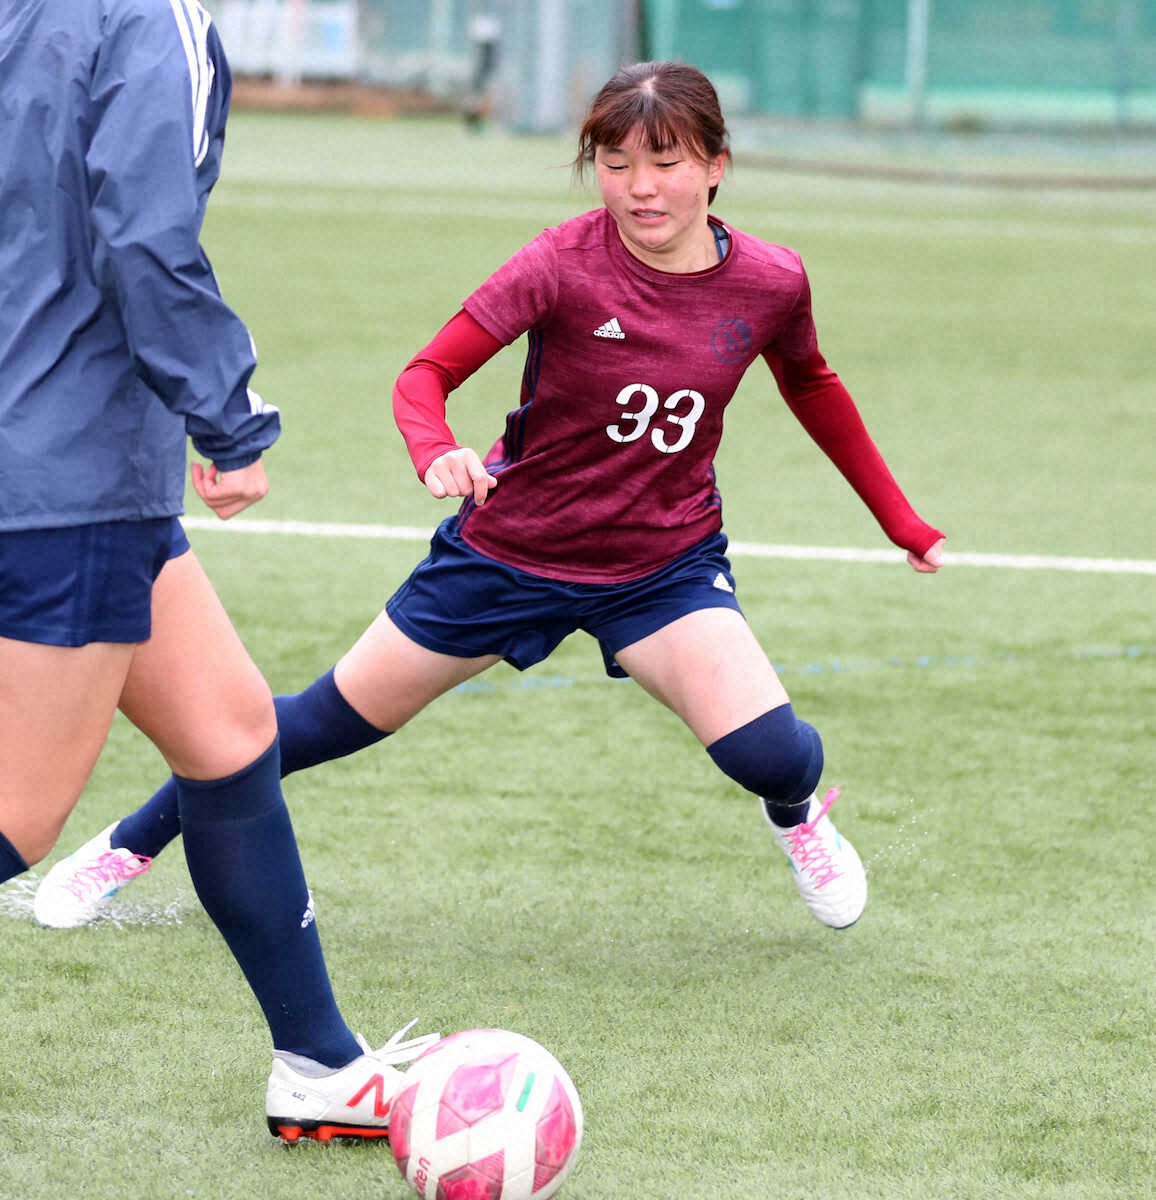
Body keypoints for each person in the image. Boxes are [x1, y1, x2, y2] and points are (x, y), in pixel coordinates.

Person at [35, 60, 945, 938]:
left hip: (660, 566)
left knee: (770, 755)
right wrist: (435, 450)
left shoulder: (772, 281)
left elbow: (813, 385)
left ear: (715, 165)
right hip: (505, 553)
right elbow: (424, 375)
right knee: (313, 725)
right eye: (616, 164)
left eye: (666, 163)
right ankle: (127, 844)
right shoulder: (560, 262)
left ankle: (799, 817)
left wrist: (900, 522)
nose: (640, 188)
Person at [0, 0, 436, 1142]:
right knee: (19, 817)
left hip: (54, 457)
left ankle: (319, 1064)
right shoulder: (153, 18)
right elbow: (144, 235)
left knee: (231, 734)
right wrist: (228, 417)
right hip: (65, 470)